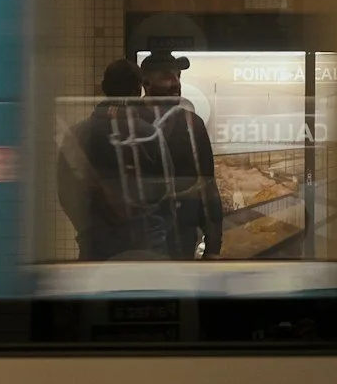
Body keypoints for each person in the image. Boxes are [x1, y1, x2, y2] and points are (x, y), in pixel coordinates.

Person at [135, 47, 226, 260]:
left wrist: (213, 244)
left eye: (178, 76)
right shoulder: (129, 124)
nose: (176, 83)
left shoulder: (192, 124)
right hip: (138, 236)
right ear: (146, 84)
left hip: (181, 233)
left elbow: (207, 184)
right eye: (167, 76)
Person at [57, 59, 144, 260]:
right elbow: (165, 192)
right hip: (140, 246)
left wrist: (87, 230)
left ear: (104, 88)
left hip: (94, 245)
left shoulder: (77, 133)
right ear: (137, 92)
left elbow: (66, 192)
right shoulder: (148, 134)